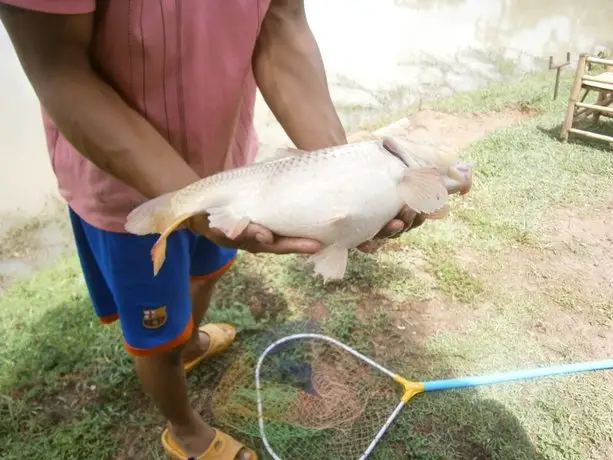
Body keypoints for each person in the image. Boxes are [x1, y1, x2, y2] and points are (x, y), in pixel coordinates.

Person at [0, 1, 425, 458]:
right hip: (124, 192)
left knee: (207, 273)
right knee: (156, 334)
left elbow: (280, 23)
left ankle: (190, 344)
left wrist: (345, 181)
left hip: (233, 175)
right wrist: (190, 202)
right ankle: (184, 429)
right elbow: (61, 68)